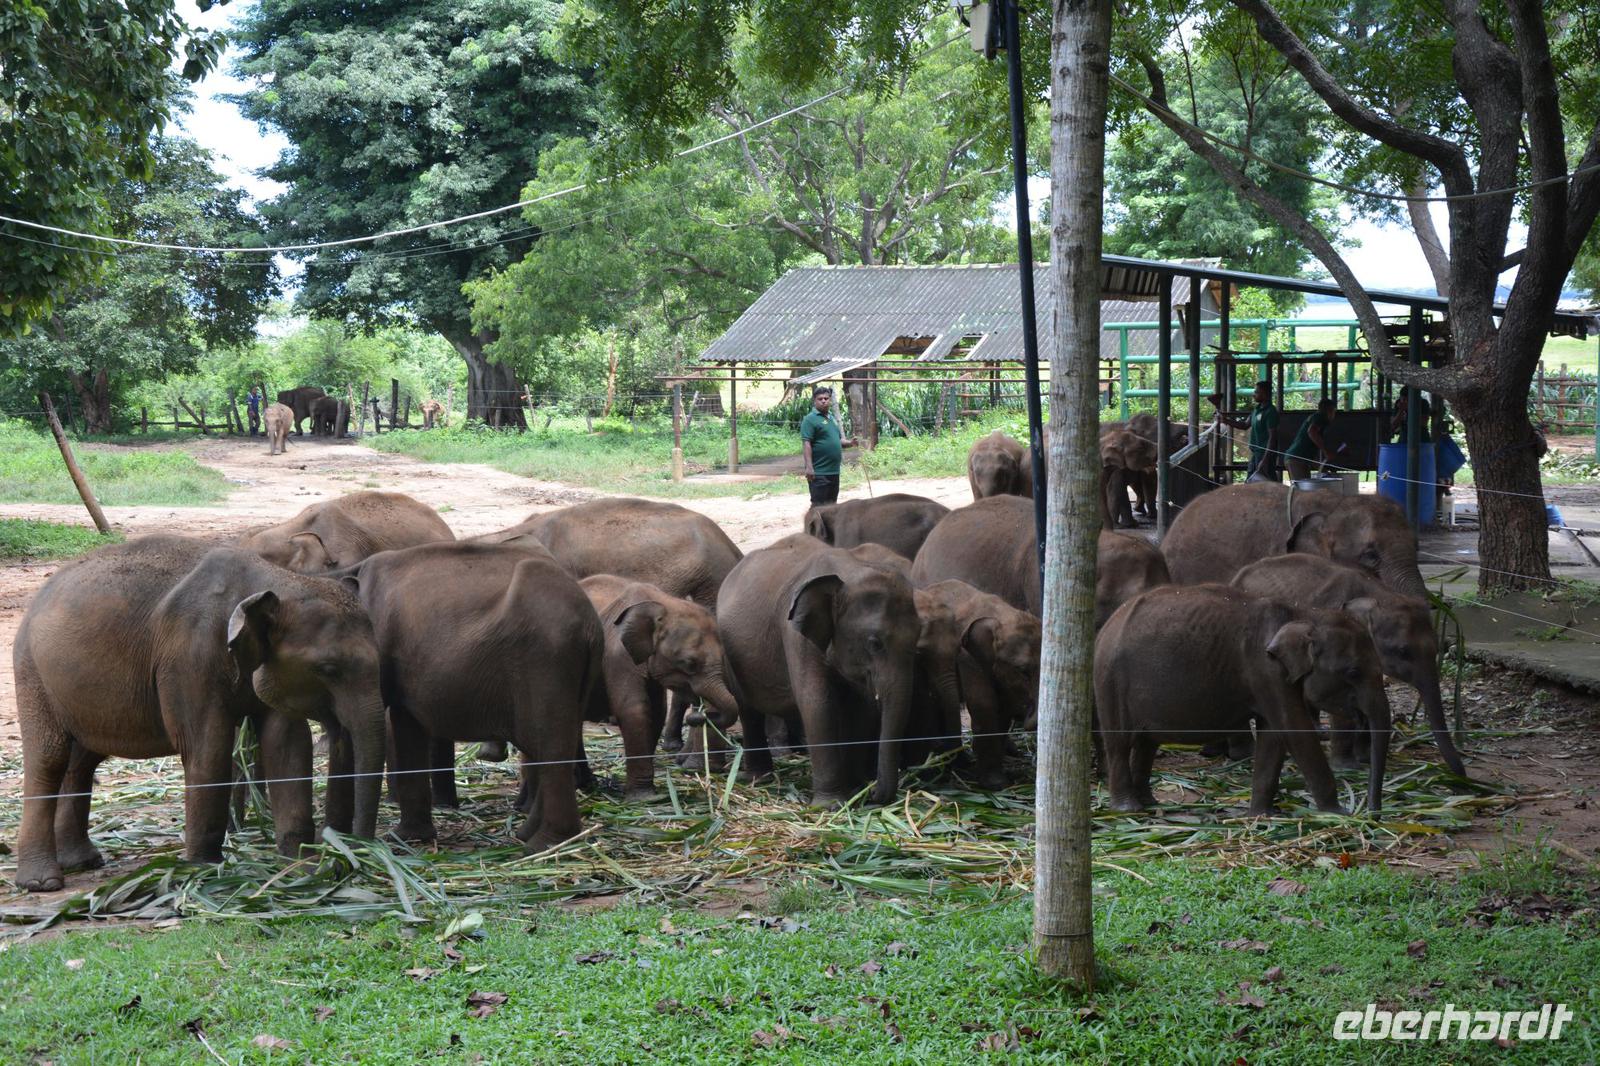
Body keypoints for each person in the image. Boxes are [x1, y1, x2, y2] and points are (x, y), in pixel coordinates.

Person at [1212, 379, 1280, 481]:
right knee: (1256, 481)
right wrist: (1225, 420)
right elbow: (1244, 425)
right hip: (1256, 453)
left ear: (1265, 394)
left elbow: (1272, 437)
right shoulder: (1256, 409)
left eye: (1257, 392)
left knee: (1266, 483)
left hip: (1264, 454)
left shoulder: (1271, 412)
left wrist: (1265, 459)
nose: (1254, 395)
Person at [800, 385, 854, 506]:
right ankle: (813, 525)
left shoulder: (832, 418)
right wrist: (809, 467)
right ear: (814, 401)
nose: (824, 401)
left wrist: (850, 443)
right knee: (819, 506)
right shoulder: (810, 419)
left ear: (830, 400)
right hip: (819, 472)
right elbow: (806, 443)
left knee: (831, 505)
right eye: (820, 399)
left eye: (826, 398)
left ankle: (827, 526)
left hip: (834, 471)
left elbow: (838, 441)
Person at [1285, 397, 1343, 481]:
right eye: (1334, 412)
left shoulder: (1315, 418)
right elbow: (1311, 432)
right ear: (1330, 411)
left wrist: (1323, 470)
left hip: (1296, 459)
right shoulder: (1321, 417)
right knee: (1301, 492)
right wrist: (1326, 452)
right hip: (1297, 460)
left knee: (1304, 490)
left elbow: (1313, 452)